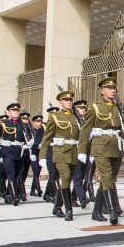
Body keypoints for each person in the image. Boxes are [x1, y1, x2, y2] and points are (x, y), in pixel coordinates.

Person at [79, 78, 124, 225]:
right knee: (106, 179)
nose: (113, 90)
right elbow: (85, 130)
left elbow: (123, 128)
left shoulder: (119, 108)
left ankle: (96, 211)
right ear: (102, 91)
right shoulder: (95, 107)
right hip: (100, 147)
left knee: (110, 180)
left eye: (114, 88)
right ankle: (112, 211)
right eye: (109, 88)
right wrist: (82, 150)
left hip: (116, 147)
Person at [40, 92, 80, 221]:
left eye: (70, 99)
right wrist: (42, 156)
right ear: (60, 102)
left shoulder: (76, 118)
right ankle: (69, 210)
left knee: (67, 181)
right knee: (66, 177)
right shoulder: (55, 116)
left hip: (74, 152)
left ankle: (57, 207)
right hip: (60, 152)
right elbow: (47, 138)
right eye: (66, 100)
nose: (69, 101)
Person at [0, 103, 29, 206]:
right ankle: (14, 197)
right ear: (9, 112)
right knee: (11, 173)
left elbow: (27, 138)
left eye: (17, 110)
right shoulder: (4, 124)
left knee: (18, 174)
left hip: (19, 153)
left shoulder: (23, 125)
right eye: (13, 111)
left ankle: (9, 195)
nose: (16, 112)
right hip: (8, 153)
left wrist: (28, 144)